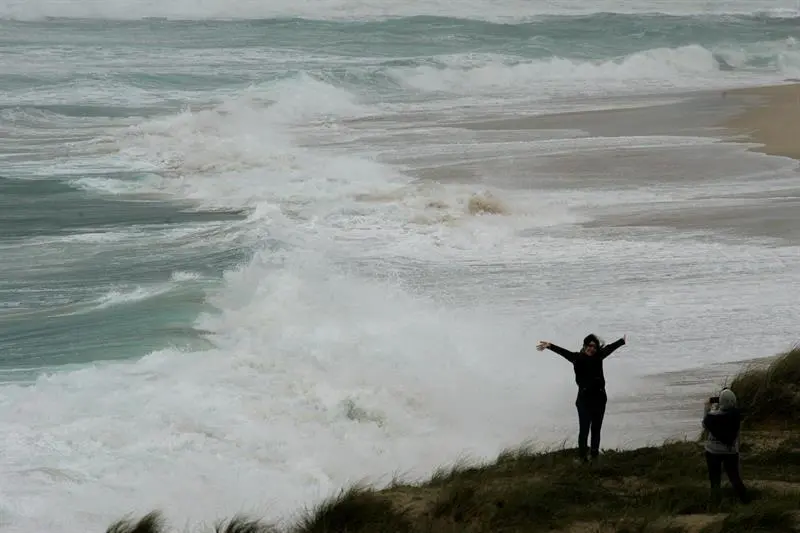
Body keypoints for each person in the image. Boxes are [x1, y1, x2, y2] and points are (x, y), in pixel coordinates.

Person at [536, 333, 626, 463]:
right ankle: (583, 458)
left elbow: (609, 348)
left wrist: (621, 341)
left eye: (594, 347)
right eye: (589, 346)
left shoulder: (598, 357)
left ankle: (594, 456)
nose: (592, 349)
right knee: (584, 430)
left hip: (600, 399)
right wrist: (549, 346)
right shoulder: (577, 358)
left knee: (596, 429)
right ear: (584, 346)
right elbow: (563, 352)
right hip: (584, 401)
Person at [702, 388, 749, 504]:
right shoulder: (736, 415)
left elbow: (705, 423)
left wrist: (707, 407)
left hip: (713, 451)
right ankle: (745, 500)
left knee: (715, 480)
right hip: (731, 451)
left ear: (721, 402)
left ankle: (715, 503)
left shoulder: (711, 417)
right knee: (734, 478)